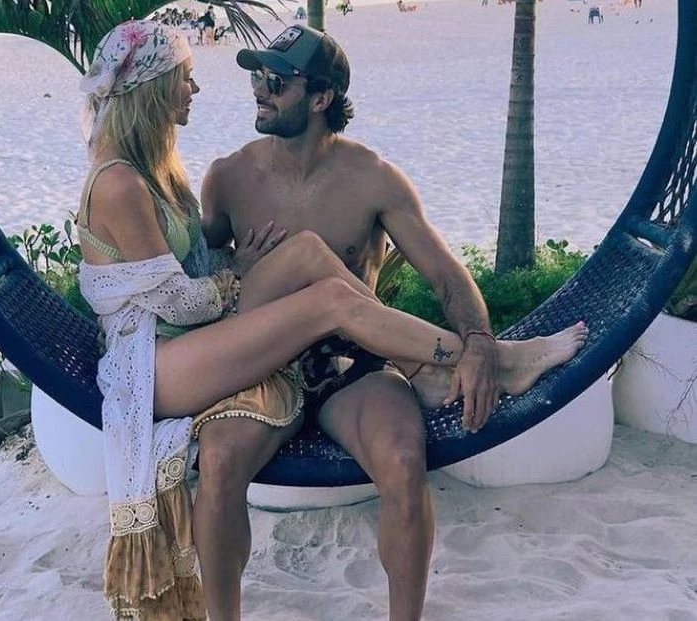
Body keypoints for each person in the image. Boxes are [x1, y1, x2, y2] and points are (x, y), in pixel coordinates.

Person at [77, 20, 588, 621]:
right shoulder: (226, 176)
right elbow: (189, 279)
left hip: (351, 364)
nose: (258, 89)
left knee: (403, 460)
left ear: (321, 98)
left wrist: (477, 336)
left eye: (276, 81)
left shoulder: (372, 178)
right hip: (254, 365)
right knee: (220, 460)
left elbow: (447, 276)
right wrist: (235, 272)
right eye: (257, 77)